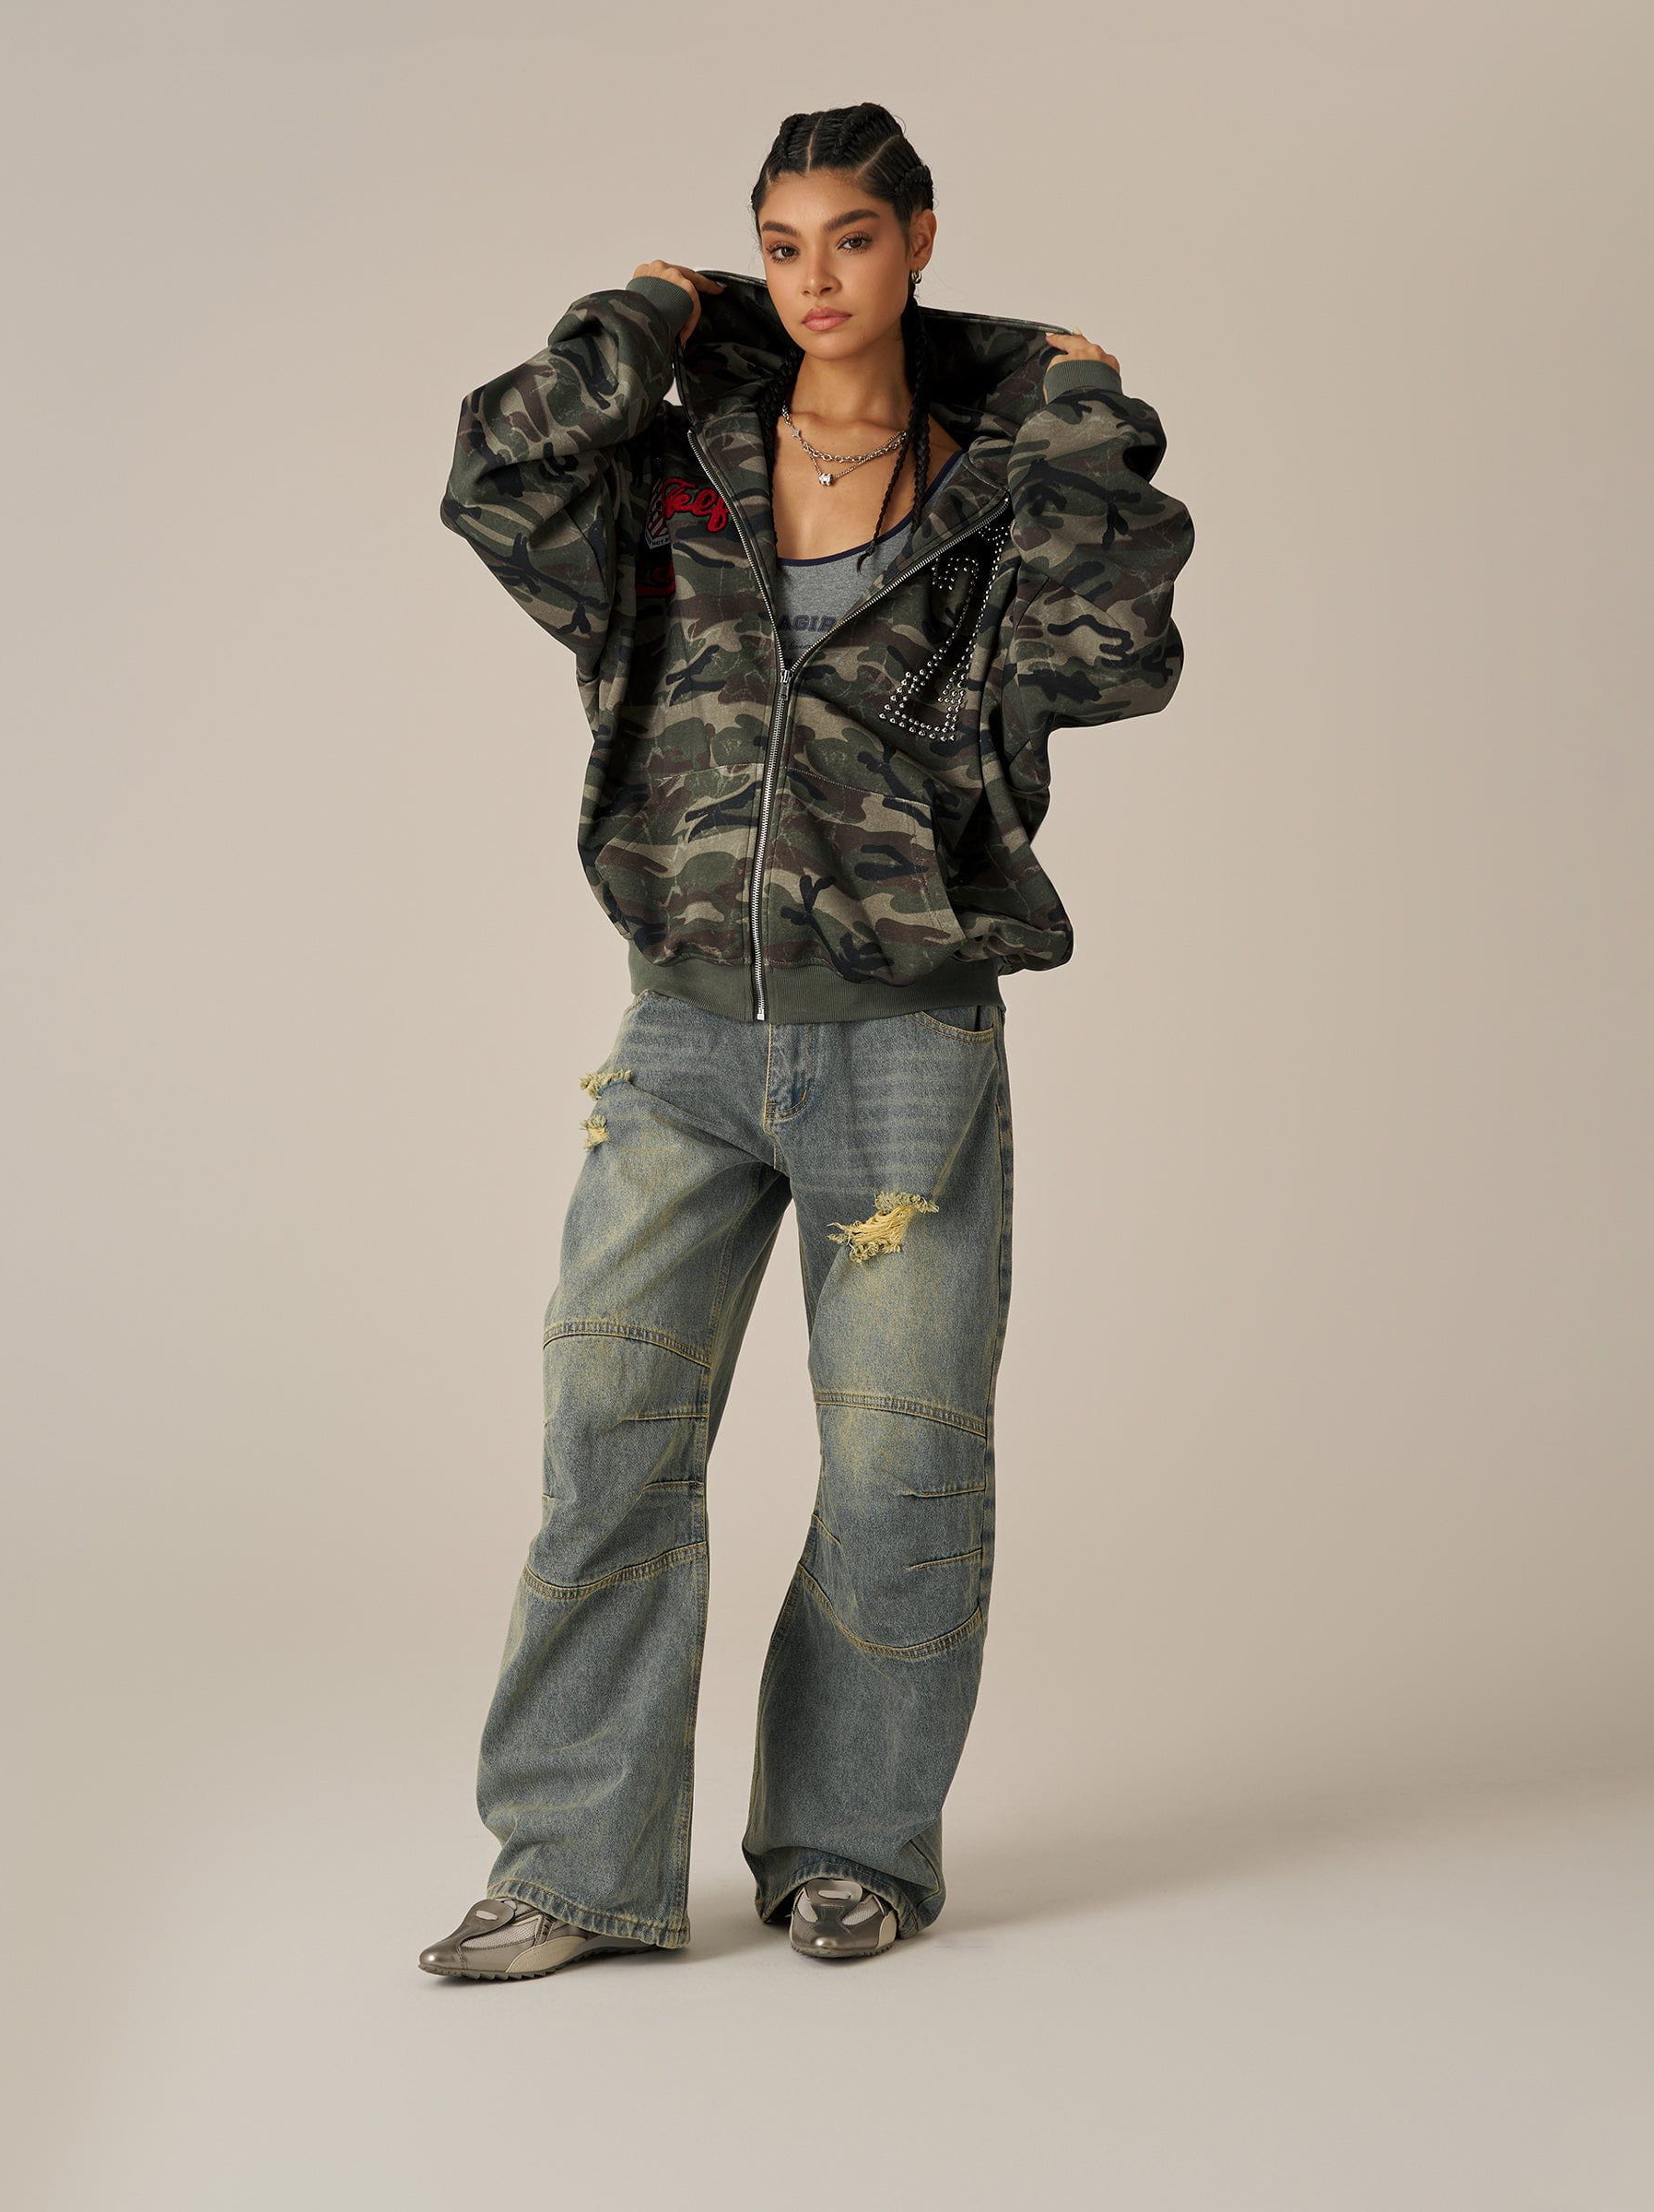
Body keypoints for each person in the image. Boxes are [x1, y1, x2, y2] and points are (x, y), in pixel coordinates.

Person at [418, 101, 1195, 1981]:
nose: (816, 277)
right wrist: (645, 315)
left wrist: (1068, 400)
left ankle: (853, 1846)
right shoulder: (676, 471)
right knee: (606, 1440)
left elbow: (1120, 657)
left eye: (852, 237)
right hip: (681, 1039)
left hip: (905, 1049)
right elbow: (494, 473)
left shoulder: (1000, 488)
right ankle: (571, 1868)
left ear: (919, 239)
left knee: (901, 1465)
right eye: (780, 246)